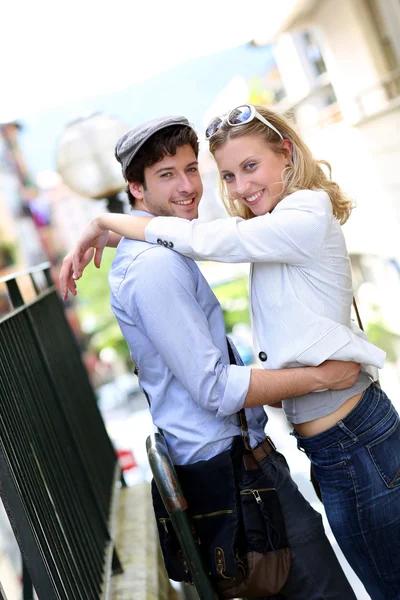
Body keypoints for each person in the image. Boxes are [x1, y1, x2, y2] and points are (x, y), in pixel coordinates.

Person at [63, 106, 400, 600]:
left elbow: (209, 239)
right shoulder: (157, 266)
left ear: (286, 155)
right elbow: (216, 387)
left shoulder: (297, 214)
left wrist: (111, 225)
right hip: (282, 457)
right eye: (167, 174)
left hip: (349, 439)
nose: (190, 186)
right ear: (136, 188)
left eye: (192, 169)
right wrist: (318, 378)